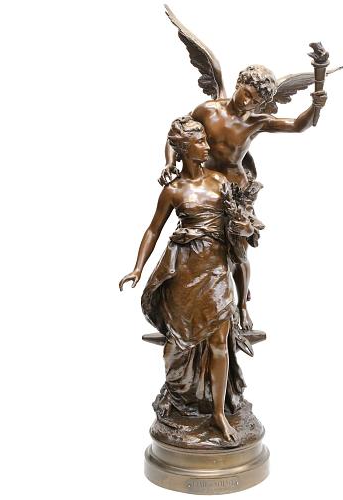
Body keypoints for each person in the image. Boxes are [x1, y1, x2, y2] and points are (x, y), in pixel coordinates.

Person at [119, 116, 259, 441]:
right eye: (200, 142)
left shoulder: (220, 182)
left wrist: (244, 228)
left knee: (219, 343)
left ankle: (219, 414)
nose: (207, 146)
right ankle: (182, 400)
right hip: (183, 272)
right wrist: (138, 267)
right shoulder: (173, 190)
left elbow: (239, 222)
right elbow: (153, 229)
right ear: (184, 149)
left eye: (206, 140)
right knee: (177, 345)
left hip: (216, 271)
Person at [159, 65, 327, 330]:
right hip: (202, 187)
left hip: (235, 193)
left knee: (238, 251)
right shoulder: (207, 110)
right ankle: (195, 300)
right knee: (198, 244)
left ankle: (241, 307)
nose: (248, 102)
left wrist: (315, 105)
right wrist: (170, 163)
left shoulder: (255, 121)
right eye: (246, 93)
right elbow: (177, 135)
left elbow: (297, 125)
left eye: (255, 100)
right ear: (239, 84)